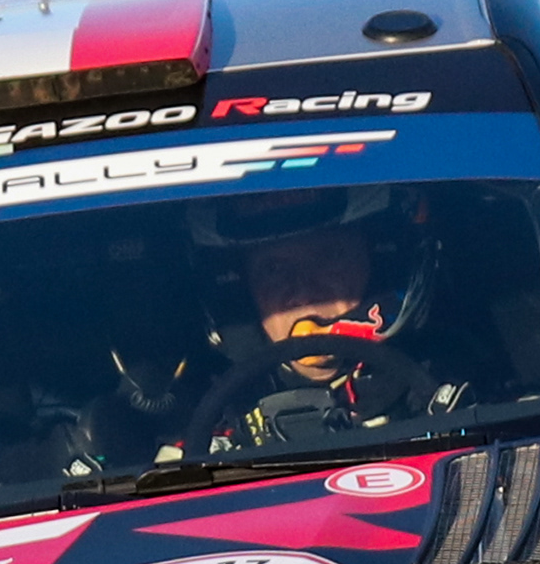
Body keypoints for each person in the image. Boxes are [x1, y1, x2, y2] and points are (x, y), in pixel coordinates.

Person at [181, 189, 462, 455]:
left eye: (329, 257)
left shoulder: (460, 381)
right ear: (245, 295)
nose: (303, 292)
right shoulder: (200, 418)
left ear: (378, 267)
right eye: (273, 269)